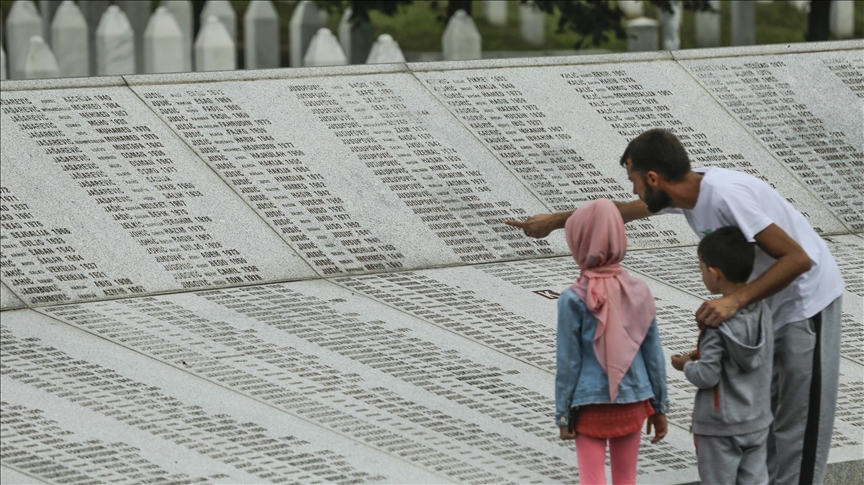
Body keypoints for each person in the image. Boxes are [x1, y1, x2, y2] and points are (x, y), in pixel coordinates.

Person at [510, 129, 843, 485]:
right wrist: (557, 220)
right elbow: (618, 213)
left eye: (634, 181)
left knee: (799, 426)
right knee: (767, 420)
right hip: (766, 306)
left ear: (654, 178)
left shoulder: (725, 195)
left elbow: (798, 259)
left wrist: (733, 300)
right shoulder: (685, 190)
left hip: (808, 305)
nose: (634, 191)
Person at [555, 198, 668, 485]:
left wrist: (563, 414)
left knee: (591, 479)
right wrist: (659, 407)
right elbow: (652, 353)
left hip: (589, 404)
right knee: (626, 479)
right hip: (633, 399)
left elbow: (568, 362)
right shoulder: (639, 290)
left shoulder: (573, 298)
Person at [671, 226, 774, 484]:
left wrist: (686, 365)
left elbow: (707, 375)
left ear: (714, 273)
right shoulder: (762, 310)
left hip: (721, 425)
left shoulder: (717, 323)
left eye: (701, 267)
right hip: (757, 419)